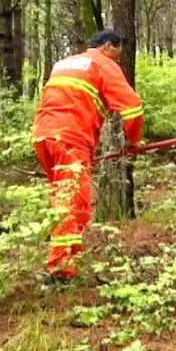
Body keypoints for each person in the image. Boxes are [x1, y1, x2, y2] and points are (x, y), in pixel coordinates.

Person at [33, 30, 144, 280]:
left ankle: (64, 262)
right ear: (107, 46)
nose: (117, 61)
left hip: (43, 136)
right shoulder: (102, 64)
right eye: (117, 54)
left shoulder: (65, 63)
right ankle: (61, 269)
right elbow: (133, 107)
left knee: (62, 198)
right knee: (74, 204)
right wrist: (134, 141)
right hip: (70, 140)